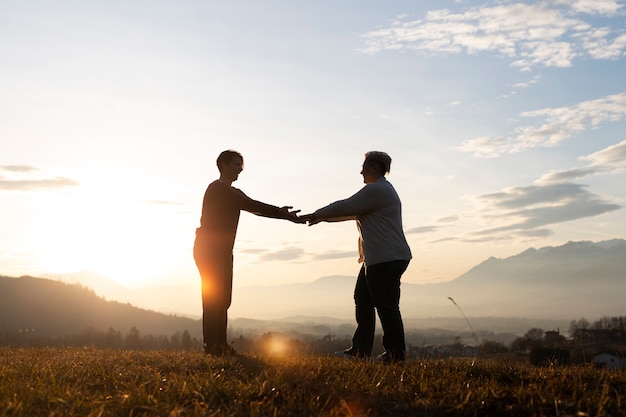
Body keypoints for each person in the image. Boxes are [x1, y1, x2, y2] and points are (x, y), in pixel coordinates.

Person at [303, 151, 412, 363]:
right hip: (379, 259)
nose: (360, 171)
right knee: (363, 298)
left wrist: (318, 214)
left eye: (364, 166)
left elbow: (347, 205)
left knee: (386, 306)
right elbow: (351, 212)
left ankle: (395, 355)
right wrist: (321, 218)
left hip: (385, 258)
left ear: (374, 168)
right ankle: (360, 351)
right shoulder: (379, 191)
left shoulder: (377, 189)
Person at [193, 150, 303, 356]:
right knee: (213, 298)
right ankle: (212, 347)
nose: (239, 170)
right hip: (208, 249)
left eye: (241, 167)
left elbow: (255, 208)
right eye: (236, 165)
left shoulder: (234, 192)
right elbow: (251, 205)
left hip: (223, 251)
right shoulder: (217, 188)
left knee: (224, 298)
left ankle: (220, 345)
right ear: (223, 165)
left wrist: (283, 215)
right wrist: (281, 213)